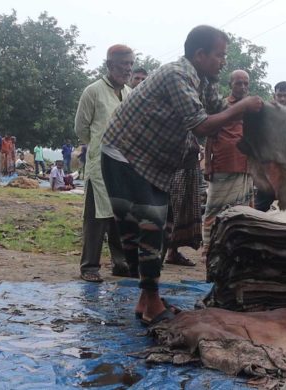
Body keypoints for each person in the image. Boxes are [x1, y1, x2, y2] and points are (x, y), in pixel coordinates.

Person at [100, 25, 263, 325]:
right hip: (124, 154)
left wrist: (258, 113)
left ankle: (146, 298)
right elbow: (201, 124)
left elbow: (219, 109)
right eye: (219, 55)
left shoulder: (203, 79)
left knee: (161, 228)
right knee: (149, 226)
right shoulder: (177, 74)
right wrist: (242, 106)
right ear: (199, 55)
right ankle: (150, 303)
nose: (223, 62)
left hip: (153, 163)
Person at [74, 44, 132, 281]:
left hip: (123, 163)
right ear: (109, 65)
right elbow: (81, 128)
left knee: (119, 215)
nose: (127, 69)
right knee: (96, 217)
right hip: (99, 164)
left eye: (130, 64)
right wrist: (98, 145)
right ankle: (90, 267)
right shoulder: (93, 91)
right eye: (123, 64)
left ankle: (120, 263)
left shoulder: (130, 92)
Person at [202, 69, 255, 253]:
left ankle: (237, 247)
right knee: (215, 208)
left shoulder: (252, 109)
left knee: (243, 210)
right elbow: (209, 136)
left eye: (246, 83)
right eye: (238, 83)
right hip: (223, 163)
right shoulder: (222, 105)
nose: (242, 87)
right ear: (230, 84)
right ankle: (209, 246)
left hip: (246, 165)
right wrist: (208, 164)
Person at [255, 81, 286, 212]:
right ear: (274, 96)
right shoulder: (263, 117)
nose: (282, 98)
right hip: (266, 175)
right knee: (260, 211)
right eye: (279, 95)